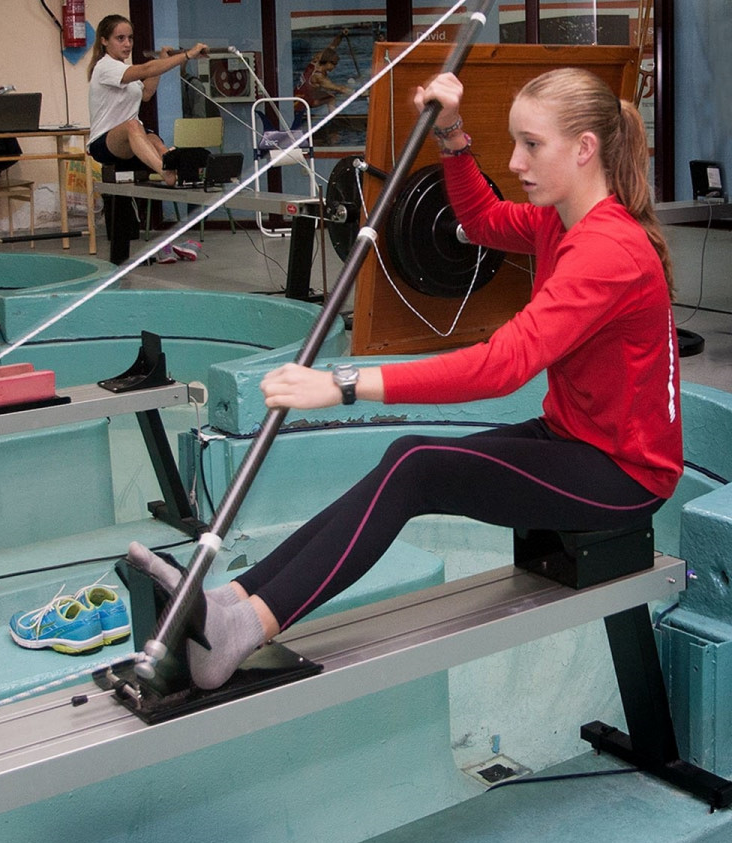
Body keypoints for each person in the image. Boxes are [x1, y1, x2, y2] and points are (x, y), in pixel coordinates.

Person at [128, 67, 682, 691]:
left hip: (624, 474)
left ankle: (245, 625)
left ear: (585, 149)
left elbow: (503, 366)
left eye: (532, 144)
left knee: (416, 465)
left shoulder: (609, 251)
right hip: (573, 438)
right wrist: (450, 135)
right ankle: (228, 603)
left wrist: (345, 383)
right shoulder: (561, 221)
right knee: (408, 460)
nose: (516, 159)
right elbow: (477, 220)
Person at [86, 14, 208, 187]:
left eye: (130, 38)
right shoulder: (105, 67)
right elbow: (146, 69)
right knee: (134, 125)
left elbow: (147, 93)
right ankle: (167, 173)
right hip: (102, 144)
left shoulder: (123, 69)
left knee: (154, 139)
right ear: (104, 41)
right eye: (120, 39)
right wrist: (187, 55)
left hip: (128, 140)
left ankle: (179, 170)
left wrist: (163, 61)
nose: (127, 44)